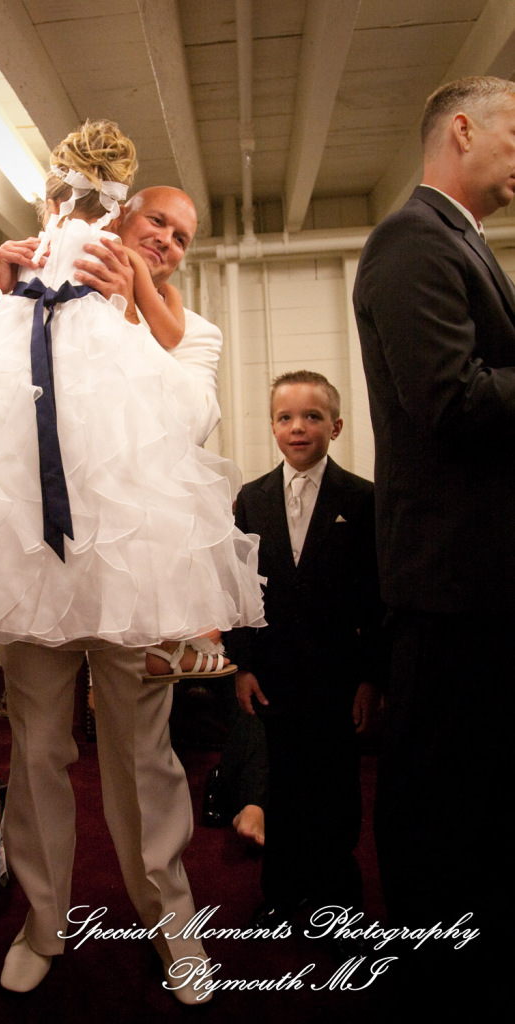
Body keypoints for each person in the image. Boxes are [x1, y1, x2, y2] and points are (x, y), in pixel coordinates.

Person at [0, 121, 264, 1003]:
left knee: (143, 756)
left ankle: (173, 928)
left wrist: (142, 309)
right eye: (156, 221)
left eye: (182, 238)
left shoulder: (186, 328)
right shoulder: (23, 301)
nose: (165, 239)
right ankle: (43, 922)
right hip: (31, 568)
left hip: (129, 571)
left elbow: (193, 419)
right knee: (38, 748)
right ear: (117, 218)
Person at [353, 75, 515, 993]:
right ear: (463, 128)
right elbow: (451, 405)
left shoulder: (462, 242)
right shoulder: (411, 239)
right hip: (452, 588)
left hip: (482, 583)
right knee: (440, 810)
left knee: (480, 804)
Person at [219, 371, 382, 925]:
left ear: (335, 426)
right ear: (271, 427)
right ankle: (282, 892)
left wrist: (369, 678)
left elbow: (374, 597)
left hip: (337, 677)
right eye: (286, 417)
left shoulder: (362, 500)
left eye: (312, 416)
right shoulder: (252, 499)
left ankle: (337, 894)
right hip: (275, 675)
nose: (298, 427)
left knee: (336, 786)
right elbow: (240, 591)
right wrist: (243, 664)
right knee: (282, 783)